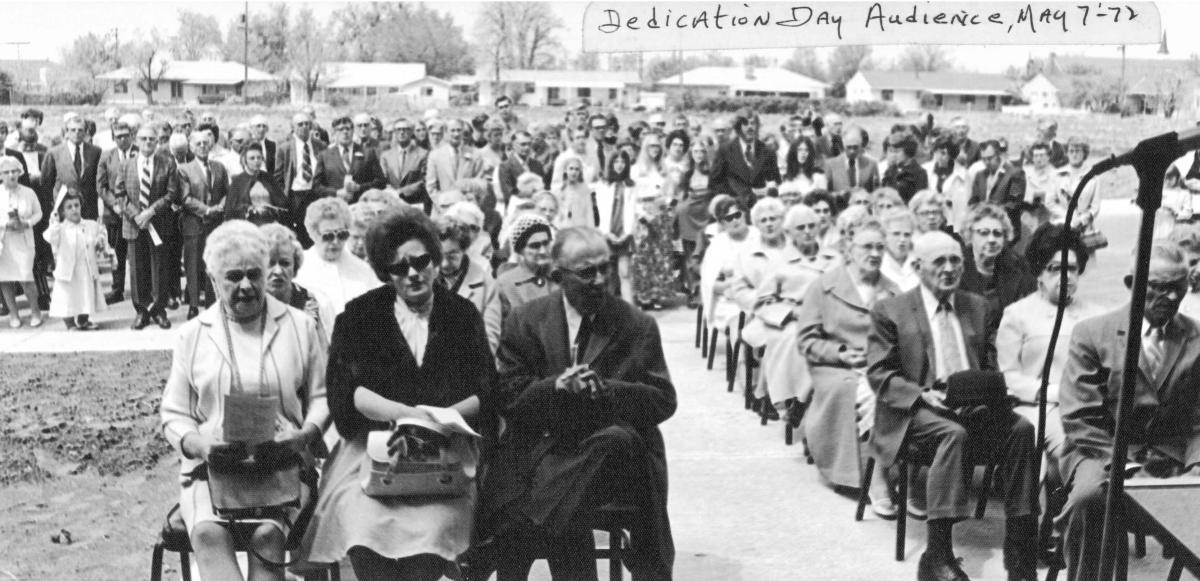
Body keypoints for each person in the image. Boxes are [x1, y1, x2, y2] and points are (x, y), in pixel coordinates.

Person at [299, 209, 493, 581]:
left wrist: (436, 421)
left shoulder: (463, 315)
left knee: (435, 534)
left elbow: (486, 391)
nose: (413, 274)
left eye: (421, 262)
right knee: (358, 523)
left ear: (435, 261)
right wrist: (405, 413)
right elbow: (345, 395)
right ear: (384, 272)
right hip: (371, 454)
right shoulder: (358, 316)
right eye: (398, 268)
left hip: (445, 457)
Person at [478, 226, 676, 581]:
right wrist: (555, 387)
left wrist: (608, 391)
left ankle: (519, 532)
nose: (600, 279)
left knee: (617, 439)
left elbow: (663, 401)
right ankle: (545, 523)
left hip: (613, 460)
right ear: (558, 276)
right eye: (587, 272)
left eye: (606, 268)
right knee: (570, 515)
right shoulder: (526, 320)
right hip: (546, 449)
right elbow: (507, 396)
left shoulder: (636, 325)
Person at [160, 220, 330, 581]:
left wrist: (304, 436)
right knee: (207, 534)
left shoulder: (300, 327)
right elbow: (174, 413)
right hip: (212, 469)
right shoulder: (192, 335)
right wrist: (200, 444)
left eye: (254, 273)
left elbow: (322, 396)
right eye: (233, 277)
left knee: (268, 536)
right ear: (213, 280)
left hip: (283, 465)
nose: (246, 286)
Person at [866, 230, 1039, 581]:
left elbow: (990, 362)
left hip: (969, 404)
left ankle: (1019, 550)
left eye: (956, 260)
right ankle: (937, 555)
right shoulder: (890, 311)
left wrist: (988, 391)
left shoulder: (978, 306)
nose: (949, 268)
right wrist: (919, 394)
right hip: (915, 409)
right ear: (917, 266)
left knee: (1022, 429)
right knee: (953, 435)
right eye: (939, 262)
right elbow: (878, 372)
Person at [1057, 242, 1200, 581]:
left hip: (1173, 453)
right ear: (1131, 283)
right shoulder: (1092, 334)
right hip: (1101, 452)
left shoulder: (1196, 336)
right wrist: (1131, 469)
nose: (1168, 297)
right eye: (1157, 287)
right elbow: (1080, 418)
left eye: (1177, 288)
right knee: (1090, 499)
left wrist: (1197, 465)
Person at [796, 217, 900, 507]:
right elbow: (806, 340)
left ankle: (885, 468)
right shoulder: (824, 286)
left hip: (877, 365)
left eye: (881, 247)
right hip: (835, 366)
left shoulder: (893, 291)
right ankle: (873, 478)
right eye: (867, 246)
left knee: (888, 389)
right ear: (849, 249)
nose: (876, 253)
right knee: (852, 388)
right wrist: (840, 353)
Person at [996, 224, 1102, 489]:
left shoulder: (1097, 314)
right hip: (1035, 406)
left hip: (1088, 406)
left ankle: (1070, 514)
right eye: (1055, 269)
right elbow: (1008, 376)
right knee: (1071, 444)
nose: (1065, 277)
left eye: (1072, 269)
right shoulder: (1018, 314)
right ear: (1039, 273)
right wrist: (1053, 392)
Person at [730, 201, 832, 415]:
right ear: (756, 224)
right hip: (765, 313)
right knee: (782, 339)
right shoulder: (746, 253)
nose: (769, 224)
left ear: (782, 222)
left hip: (795, 310)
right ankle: (771, 394)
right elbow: (739, 291)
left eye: (773, 219)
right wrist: (762, 302)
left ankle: (789, 396)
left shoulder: (797, 244)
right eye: (763, 221)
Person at [108, 125, 182, 330]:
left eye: (152, 139)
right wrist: (136, 215)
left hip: (159, 224)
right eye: (144, 139)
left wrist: (151, 212)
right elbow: (120, 194)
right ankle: (142, 311)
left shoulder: (167, 163)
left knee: (159, 268)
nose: (148, 143)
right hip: (134, 225)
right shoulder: (126, 165)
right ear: (136, 141)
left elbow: (171, 193)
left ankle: (159, 310)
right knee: (137, 269)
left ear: (157, 142)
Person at [294, 198, 381, 315]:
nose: (335, 242)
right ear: (314, 234)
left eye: (341, 235)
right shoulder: (299, 269)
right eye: (328, 236)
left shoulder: (363, 269)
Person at [178, 130, 229, 318]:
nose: (202, 146)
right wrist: (207, 210)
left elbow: (227, 192)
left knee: (212, 264)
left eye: (206, 143)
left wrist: (220, 207)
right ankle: (193, 304)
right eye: (198, 143)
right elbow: (185, 198)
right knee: (192, 264)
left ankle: (211, 302)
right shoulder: (184, 169)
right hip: (194, 223)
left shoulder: (219, 167)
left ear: (211, 145)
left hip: (215, 225)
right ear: (191, 147)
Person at [435, 216, 502, 353]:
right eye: (439, 256)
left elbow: (490, 339)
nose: (445, 264)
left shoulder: (486, 283)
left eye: (453, 255)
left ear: (464, 249)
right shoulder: (420, 277)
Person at [259, 222, 334, 343]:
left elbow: (324, 356)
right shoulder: (248, 303)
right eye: (270, 263)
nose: (278, 271)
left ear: (295, 266)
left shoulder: (315, 301)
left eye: (285, 263)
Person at [960, 203, 1037, 316]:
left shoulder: (1019, 266)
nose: (991, 239)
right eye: (984, 233)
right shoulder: (956, 266)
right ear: (970, 235)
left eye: (997, 234)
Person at [44, 191, 107, 330]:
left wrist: (100, 240)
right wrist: (53, 222)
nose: (74, 209)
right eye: (69, 207)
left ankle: (84, 319)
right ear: (62, 211)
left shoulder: (89, 225)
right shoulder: (60, 229)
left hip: (86, 267)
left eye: (76, 205)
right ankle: (70, 323)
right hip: (67, 270)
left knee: (85, 294)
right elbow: (50, 238)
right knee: (68, 297)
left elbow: (100, 234)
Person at [0, 156, 43, 327]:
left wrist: (26, 223)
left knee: (26, 277)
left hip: (24, 241)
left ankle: (35, 312)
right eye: (7, 172)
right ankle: (14, 314)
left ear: (19, 172)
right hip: (4, 242)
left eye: (14, 171)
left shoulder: (28, 192)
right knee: (5, 278)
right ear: (1, 174)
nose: (11, 175)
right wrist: (5, 224)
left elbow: (38, 214)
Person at [709, 111, 781, 210]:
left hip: (761, 209)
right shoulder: (725, 150)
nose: (750, 127)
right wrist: (732, 200)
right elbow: (714, 183)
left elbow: (775, 181)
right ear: (738, 127)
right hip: (734, 209)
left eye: (753, 123)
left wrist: (768, 189)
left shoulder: (768, 152)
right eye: (745, 124)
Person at [97, 120, 136, 305]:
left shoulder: (139, 152)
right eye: (118, 136)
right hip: (114, 215)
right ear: (113, 138)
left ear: (132, 136)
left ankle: (143, 289)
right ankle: (117, 288)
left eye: (125, 136)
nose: (122, 139)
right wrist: (114, 205)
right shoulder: (107, 157)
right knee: (117, 253)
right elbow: (101, 186)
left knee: (139, 253)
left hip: (136, 214)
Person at [276, 111, 327, 248]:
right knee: (297, 232)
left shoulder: (321, 146)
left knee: (315, 228)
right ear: (293, 127)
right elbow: (278, 177)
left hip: (315, 193)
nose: (304, 127)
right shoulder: (284, 148)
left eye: (307, 124)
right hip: (295, 195)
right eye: (300, 124)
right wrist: (283, 197)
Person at [40, 116, 102, 220]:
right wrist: (54, 207)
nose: (76, 133)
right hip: (63, 210)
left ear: (85, 132)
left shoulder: (95, 152)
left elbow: (97, 182)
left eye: (80, 130)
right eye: (73, 130)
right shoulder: (54, 153)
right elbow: (46, 184)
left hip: (88, 212)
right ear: (67, 132)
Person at [496, 213, 556, 319]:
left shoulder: (560, 277)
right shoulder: (506, 284)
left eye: (546, 243)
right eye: (535, 246)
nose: (543, 251)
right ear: (520, 250)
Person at [594, 151, 636, 302]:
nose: (619, 165)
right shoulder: (604, 185)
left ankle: (630, 310)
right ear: (611, 164)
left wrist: (628, 232)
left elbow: (633, 210)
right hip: (608, 233)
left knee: (624, 273)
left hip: (624, 233)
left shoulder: (630, 186)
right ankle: (606, 309)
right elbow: (601, 210)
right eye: (616, 161)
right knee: (607, 274)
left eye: (622, 162)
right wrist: (606, 233)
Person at [314, 116, 386, 204]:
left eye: (348, 129)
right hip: (336, 207)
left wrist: (359, 187)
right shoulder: (324, 155)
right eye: (341, 129)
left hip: (362, 206)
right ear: (335, 133)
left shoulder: (368, 153)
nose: (345, 132)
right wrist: (336, 193)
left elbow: (381, 182)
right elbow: (316, 186)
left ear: (353, 131)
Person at [631, 177, 675, 310]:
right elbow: (632, 198)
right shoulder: (636, 169)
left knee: (659, 259)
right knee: (642, 257)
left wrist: (666, 204)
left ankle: (657, 296)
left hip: (661, 217)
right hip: (642, 218)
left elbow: (672, 196)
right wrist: (642, 214)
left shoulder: (664, 170)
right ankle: (643, 296)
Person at [970, 140, 1027, 236]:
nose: (986, 162)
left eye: (990, 158)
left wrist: (991, 215)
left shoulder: (1015, 173)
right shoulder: (979, 175)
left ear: (999, 155)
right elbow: (974, 201)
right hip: (982, 228)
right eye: (983, 159)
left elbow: (1013, 203)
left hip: (1006, 229)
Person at [224, 143, 287, 226]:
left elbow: (282, 204)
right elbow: (230, 210)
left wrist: (271, 210)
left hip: (270, 224)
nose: (256, 161)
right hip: (247, 226)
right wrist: (249, 209)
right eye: (252, 158)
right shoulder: (237, 181)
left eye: (259, 158)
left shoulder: (268, 178)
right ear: (245, 160)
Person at [923, 137, 971, 230]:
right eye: (938, 151)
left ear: (952, 154)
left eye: (944, 153)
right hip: (929, 218)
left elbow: (964, 205)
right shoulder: (925, 170)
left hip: (952, 221)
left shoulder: (963, 174)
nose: (940, 156)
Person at [426, 119, 484, 195]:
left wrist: (469, 201)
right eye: (452, 131)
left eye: (459, 130)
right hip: (444, 204)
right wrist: (443, 202)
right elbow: (431, 187)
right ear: (446, 133)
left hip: (469, 203)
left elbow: (480, 183)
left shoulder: (475, 153)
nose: (456, 134)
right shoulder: (435, 155)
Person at [825, 127, 880, 199]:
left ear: (861, 145)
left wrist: (864, 194)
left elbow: (877, 192)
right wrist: (841, 194)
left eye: (855, 147)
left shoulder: (871, 164)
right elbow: (825, 194)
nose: (852, 151)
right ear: (843, 144)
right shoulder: (830, 164)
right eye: (849, 147)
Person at [881, 133, 929, 204]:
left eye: (897, 151)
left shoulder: (919, 172)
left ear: (908, 152)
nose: (892, 155)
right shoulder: (890, 171)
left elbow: (919, 200)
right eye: (890, 151)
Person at [880, 209, 920, 291]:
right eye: (896, 234)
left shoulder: (921, 262)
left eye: (907, 235)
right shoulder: (877, 264)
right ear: (884, 236)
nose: (902, 239)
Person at [557, 156, 595, 229]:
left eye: (577, 169)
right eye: (571, 169)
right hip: (563, 228)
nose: (574, 172)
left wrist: (591, 232)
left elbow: (589, 213)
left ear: (580, 172)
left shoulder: (584, 190)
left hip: (579, 228)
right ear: (565, 170)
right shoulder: (560, 189)